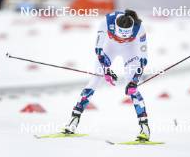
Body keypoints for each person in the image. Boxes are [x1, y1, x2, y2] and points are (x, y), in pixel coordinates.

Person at [63, 9, 150, 141]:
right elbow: (98, 50)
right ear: (115, 27)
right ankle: (73, 121)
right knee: (95, 80)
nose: (122, 39)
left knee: (132, 85)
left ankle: (145, 129)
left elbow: (143, 59)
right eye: (119, 36)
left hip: (130, 49)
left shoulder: (139, 28)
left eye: (125, 37)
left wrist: (134, 81)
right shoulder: (107, 21)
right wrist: (106, 70)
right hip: (110, 47)